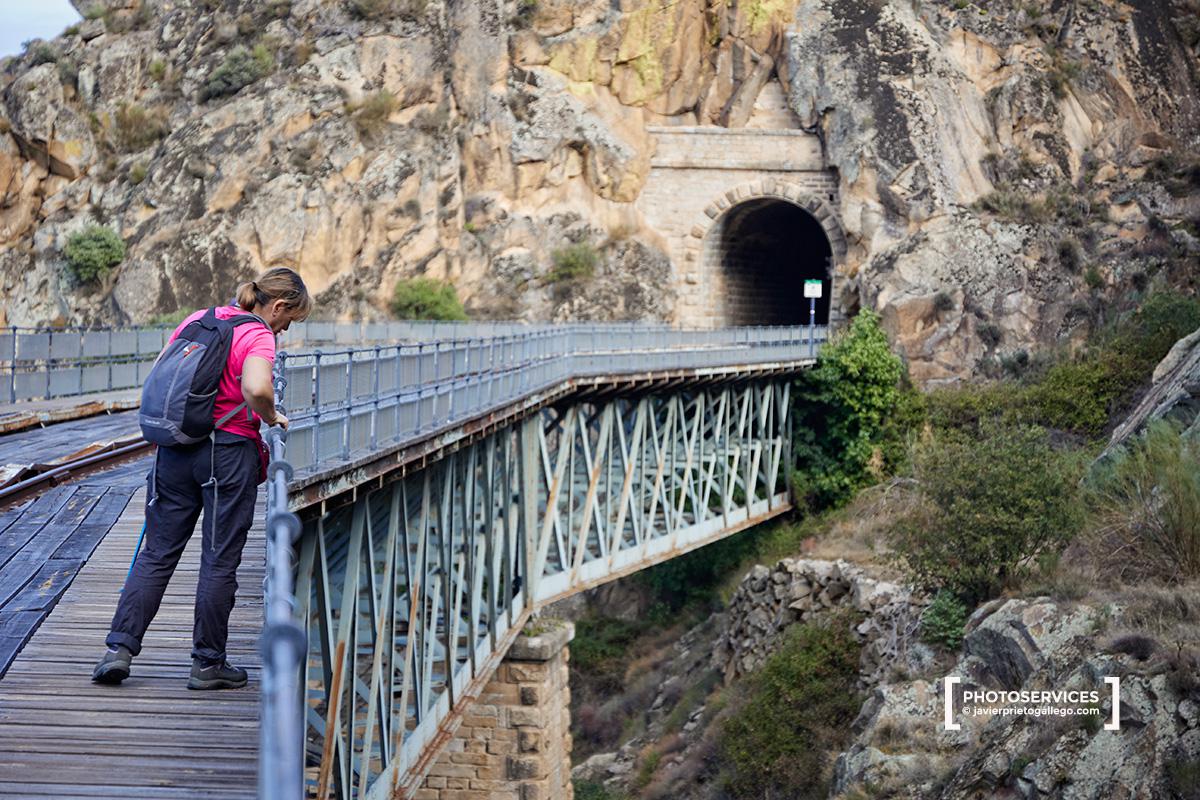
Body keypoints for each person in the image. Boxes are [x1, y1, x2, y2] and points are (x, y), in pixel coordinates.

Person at [92, 267, 311, 689]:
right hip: (226, 454)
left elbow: (160, 373)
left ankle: (118, 649)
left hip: (175, 450)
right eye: (290, 319)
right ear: (279, 306)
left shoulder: (199, 318)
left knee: (156, 553)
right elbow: (257, 388)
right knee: (219, 558)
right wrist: (272, 417)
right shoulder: (257, 334)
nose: (286, 328)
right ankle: (208, 663)